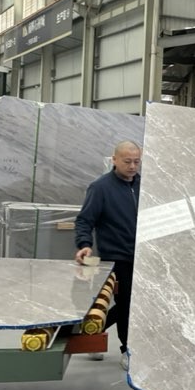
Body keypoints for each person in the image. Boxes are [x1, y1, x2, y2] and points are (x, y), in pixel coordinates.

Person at [75, 141, 142, 371]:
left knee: (129, 304)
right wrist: (84, 245)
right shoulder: (100, 188)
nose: (132, 166)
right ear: (114, 160)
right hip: (116, 256)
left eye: (136, 161)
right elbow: (85, 220)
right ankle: (126, 350)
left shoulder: (145, 186)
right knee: (126, 303)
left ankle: (93, 331)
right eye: (127, 161)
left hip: (143, 257)